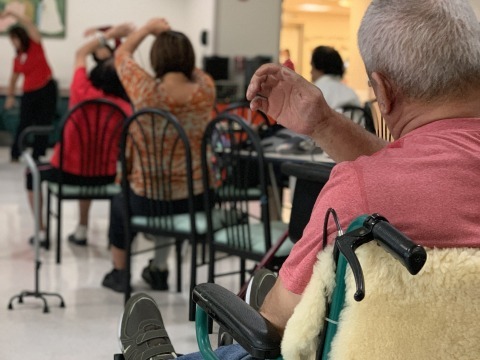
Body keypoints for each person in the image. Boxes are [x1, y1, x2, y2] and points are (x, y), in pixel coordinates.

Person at [117, 0, 480, 358]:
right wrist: (323, 123)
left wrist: (275, 303)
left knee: (259, 339)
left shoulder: (359, 194)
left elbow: (272, 326)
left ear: (382, 91)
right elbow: (422, 169)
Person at [102, 18, 215, 293]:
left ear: (155, 59)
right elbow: (196, 72)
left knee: (119, 205)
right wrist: (176, 45)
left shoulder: (145, 90)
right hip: (197, 199)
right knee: (170, 205)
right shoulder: (205, 90)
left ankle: (120, 272)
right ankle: (160, 269)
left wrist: (149, 30)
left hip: (147, 201)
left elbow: (122, 55)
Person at [24, 23, 134, 246]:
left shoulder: (81, 90)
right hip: (106, 176)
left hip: (66, 173)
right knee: (91, 168)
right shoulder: (125, 108)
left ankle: (42, 232)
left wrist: (110, 35)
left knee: (30, 173)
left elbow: (81, 53)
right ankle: (83, 228)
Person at [2, 9, 57, 162]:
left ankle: (38, 154)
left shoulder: (35, 45)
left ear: (22, 38)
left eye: (15, 39)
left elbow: (29, 24)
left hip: (46, 88)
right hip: (29, 92)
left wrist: (13, 14)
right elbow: (13, 79)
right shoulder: (18, 58)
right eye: (11, 40)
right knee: (24, 123)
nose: (13, 43)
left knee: (43, 122)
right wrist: (10, 96)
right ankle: (16, 152)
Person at [310, 45, 360, 110]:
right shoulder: (352, 94)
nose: (311, 72)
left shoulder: (315, 93)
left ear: (319, 68)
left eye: (312, 67)